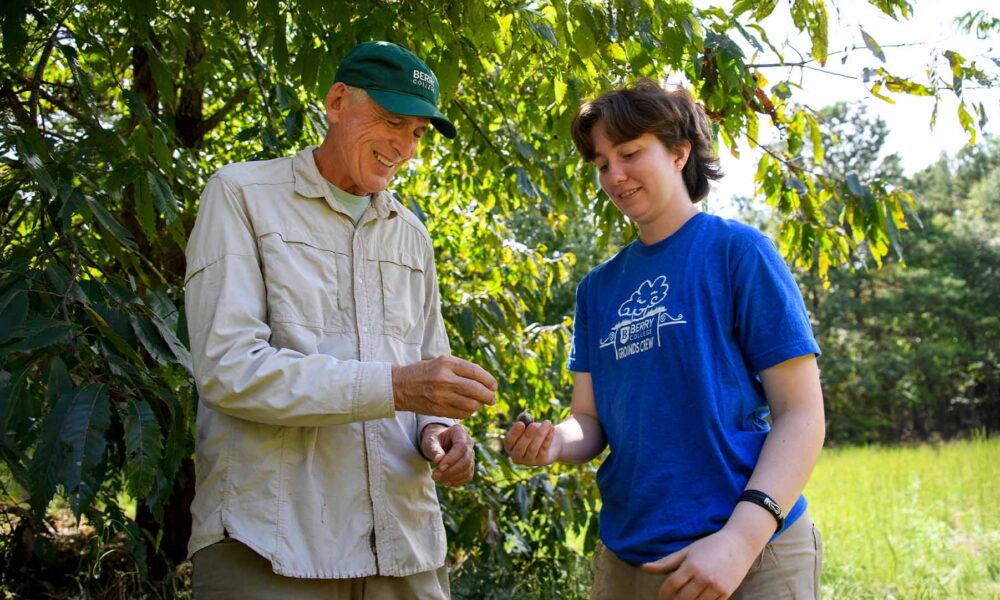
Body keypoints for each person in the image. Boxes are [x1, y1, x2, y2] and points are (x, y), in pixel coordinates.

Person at [184, 41, 497, 599]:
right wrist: (397, 387)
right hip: (272, 544)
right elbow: (227, 368)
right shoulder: (242, 195)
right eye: (391, 121)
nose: (404, 146)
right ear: (336, 102)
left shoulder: (411, 235)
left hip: (403, 546)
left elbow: (427, 376)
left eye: (418, 133)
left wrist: (443, 433)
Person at [505, 79, 826, 600]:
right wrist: (549, 445)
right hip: (631, 556)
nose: (615, 175)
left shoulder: (739, 253)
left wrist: (739, 542)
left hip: (749, 552)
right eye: (602, 162)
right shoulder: (597, 289)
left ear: (679, 153)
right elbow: (588, 421)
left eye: (630, 152)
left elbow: (802, 413)